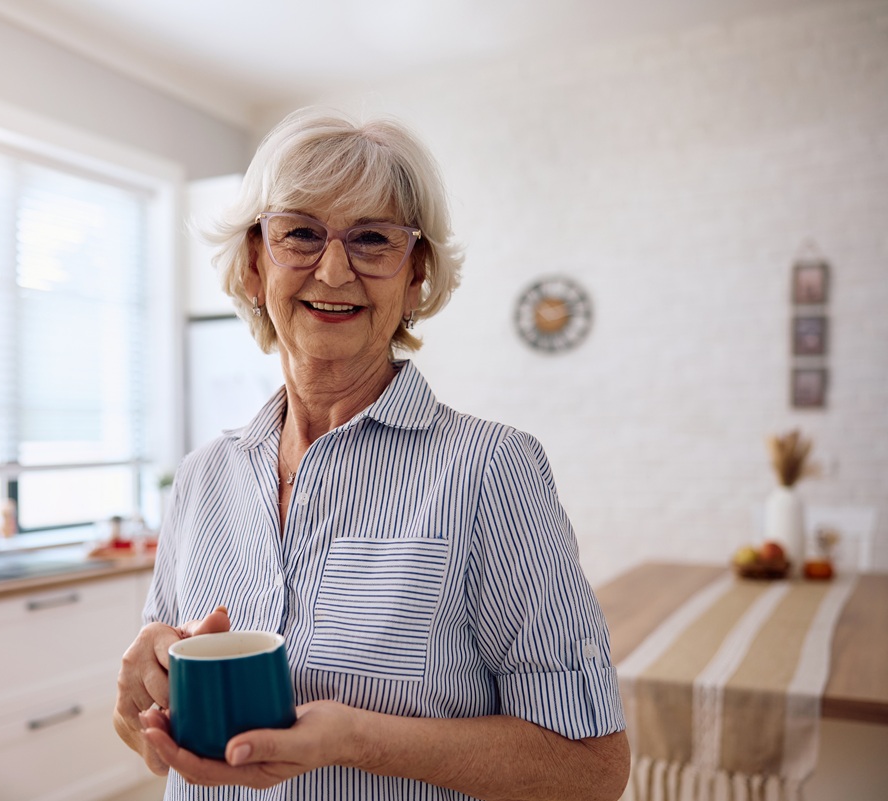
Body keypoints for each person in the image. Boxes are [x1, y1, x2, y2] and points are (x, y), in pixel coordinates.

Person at [114, 107, 629, 801]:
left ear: (415, 274)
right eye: (300, 233)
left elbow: (592, 768)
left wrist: (359, 739)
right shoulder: (203, 476)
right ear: (255, 261)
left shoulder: (491, 470)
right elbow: (156, 746)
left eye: (372, 239)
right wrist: (138, 703)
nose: (333, 272)